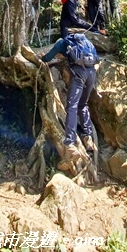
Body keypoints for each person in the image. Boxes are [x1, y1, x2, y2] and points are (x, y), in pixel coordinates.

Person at [39, 34, 97, 170]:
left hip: (79, 74)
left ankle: (70, 143)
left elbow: (47, 58)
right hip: (91, 73)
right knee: (83, 105)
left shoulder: (61, 42)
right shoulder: (86, 42)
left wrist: (42, 58)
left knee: (72, 106)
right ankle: (88, 138)